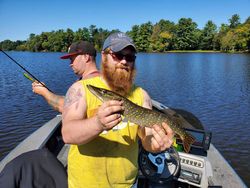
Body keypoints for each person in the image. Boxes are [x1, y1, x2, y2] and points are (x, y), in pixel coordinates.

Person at [62, 32, 174, 188]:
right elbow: (67, 134)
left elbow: (146, 137)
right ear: (104, 55)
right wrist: (97, 123)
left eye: (130, 57)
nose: (124, 61)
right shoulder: (80, 89)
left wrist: (154, 145)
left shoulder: (142, 96)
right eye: (117, 55)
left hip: (127, 185)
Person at [32, 41, 99, 112]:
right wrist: (46, 90)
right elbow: (70, 100)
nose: (70, 64)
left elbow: (67, 107)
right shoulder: (101, 78)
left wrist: (43, 92)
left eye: (72, 59)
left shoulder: (85, 84)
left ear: (86, 57)